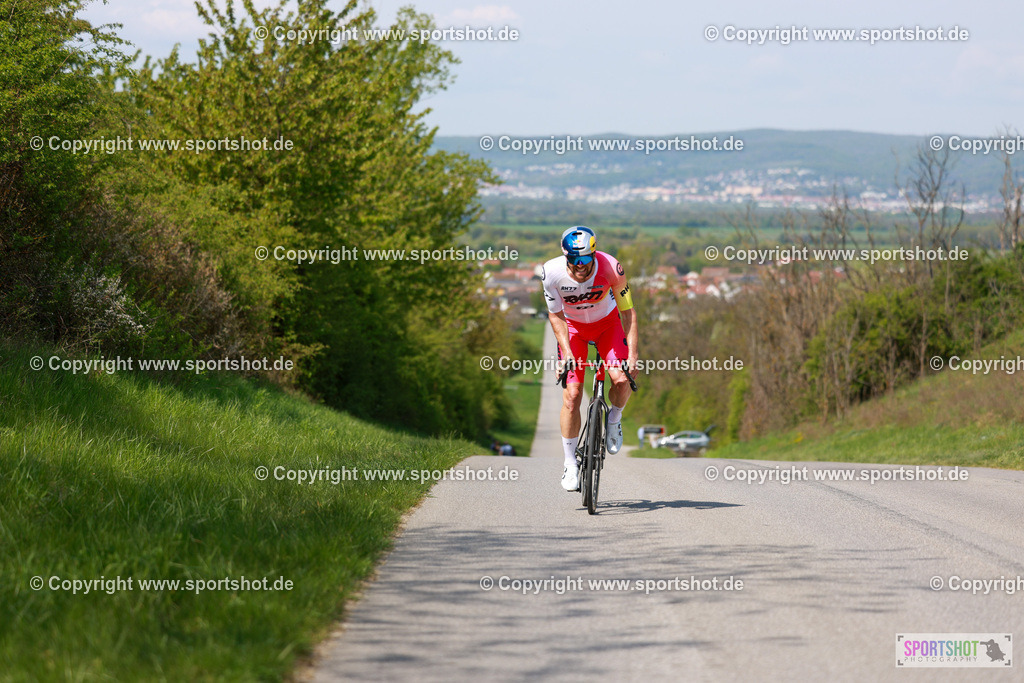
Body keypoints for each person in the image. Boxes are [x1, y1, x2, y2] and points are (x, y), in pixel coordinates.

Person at [541, 226, 638, 492]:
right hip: (573, 331)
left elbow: (628, 311)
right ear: (565, 256)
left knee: (621, 379)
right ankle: (570, 463)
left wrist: (633, 353)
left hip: (608, 326)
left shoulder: (611, 267)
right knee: (572, 396)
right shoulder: (552, 272)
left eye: (587, 258)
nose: (582, 265)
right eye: (575, 259)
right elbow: (555, 315)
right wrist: (567, 352)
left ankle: (615, 418)